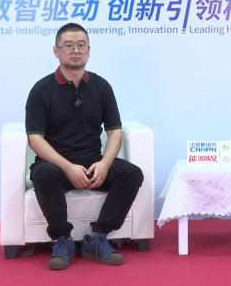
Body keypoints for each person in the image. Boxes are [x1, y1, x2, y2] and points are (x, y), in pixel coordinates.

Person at [25, 22, 144, 270]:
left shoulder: (101, 87)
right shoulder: (41, 89)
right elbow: (35, 139)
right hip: (55, 165)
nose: (76, 50)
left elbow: (114, 131)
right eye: (68, 45)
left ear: (89, 51)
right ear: (56, 51)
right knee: (44, 174)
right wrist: (67, 167)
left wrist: (104, 164)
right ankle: (62, 239)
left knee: (131, 174)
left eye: (81, 45)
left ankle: (98, 237)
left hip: (92, 162)